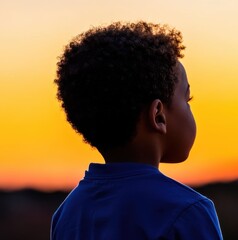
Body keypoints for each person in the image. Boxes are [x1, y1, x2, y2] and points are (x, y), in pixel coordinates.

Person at [51, 21, 223, 240]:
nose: (189, 106)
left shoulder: (69, 212)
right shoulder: (187, 211)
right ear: (158, 115)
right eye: (187, 98)